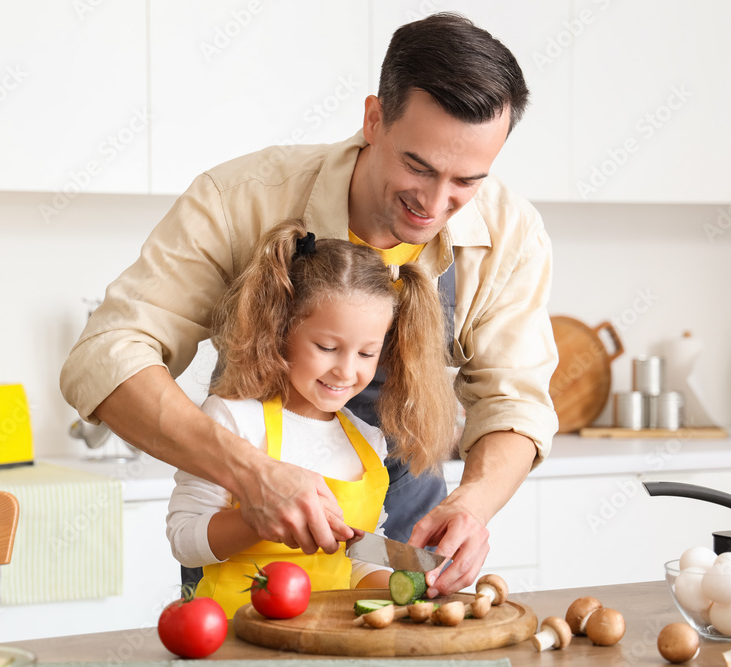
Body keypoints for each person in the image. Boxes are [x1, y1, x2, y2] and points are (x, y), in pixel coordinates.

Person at [60, 11, 558, 598]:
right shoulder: (238, 200)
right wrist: (252, 475)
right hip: (249, 563)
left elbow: (514, 402)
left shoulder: (512, 233)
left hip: (397, 541)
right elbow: (105, 356)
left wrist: (473, 505)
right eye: (417, 166)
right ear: (374, 119)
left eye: (466, 182)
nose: (434, 202)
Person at [166, 219, 455, 617]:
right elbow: (184, 540)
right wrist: (258, 519)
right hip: (239, 636)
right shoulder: (233, 419)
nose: (346, 371)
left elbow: (355, 563)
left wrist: (411, 587)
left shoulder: (367, 440)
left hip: (330, 640)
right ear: (281, 328)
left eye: (367, 354)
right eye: (326, 347)